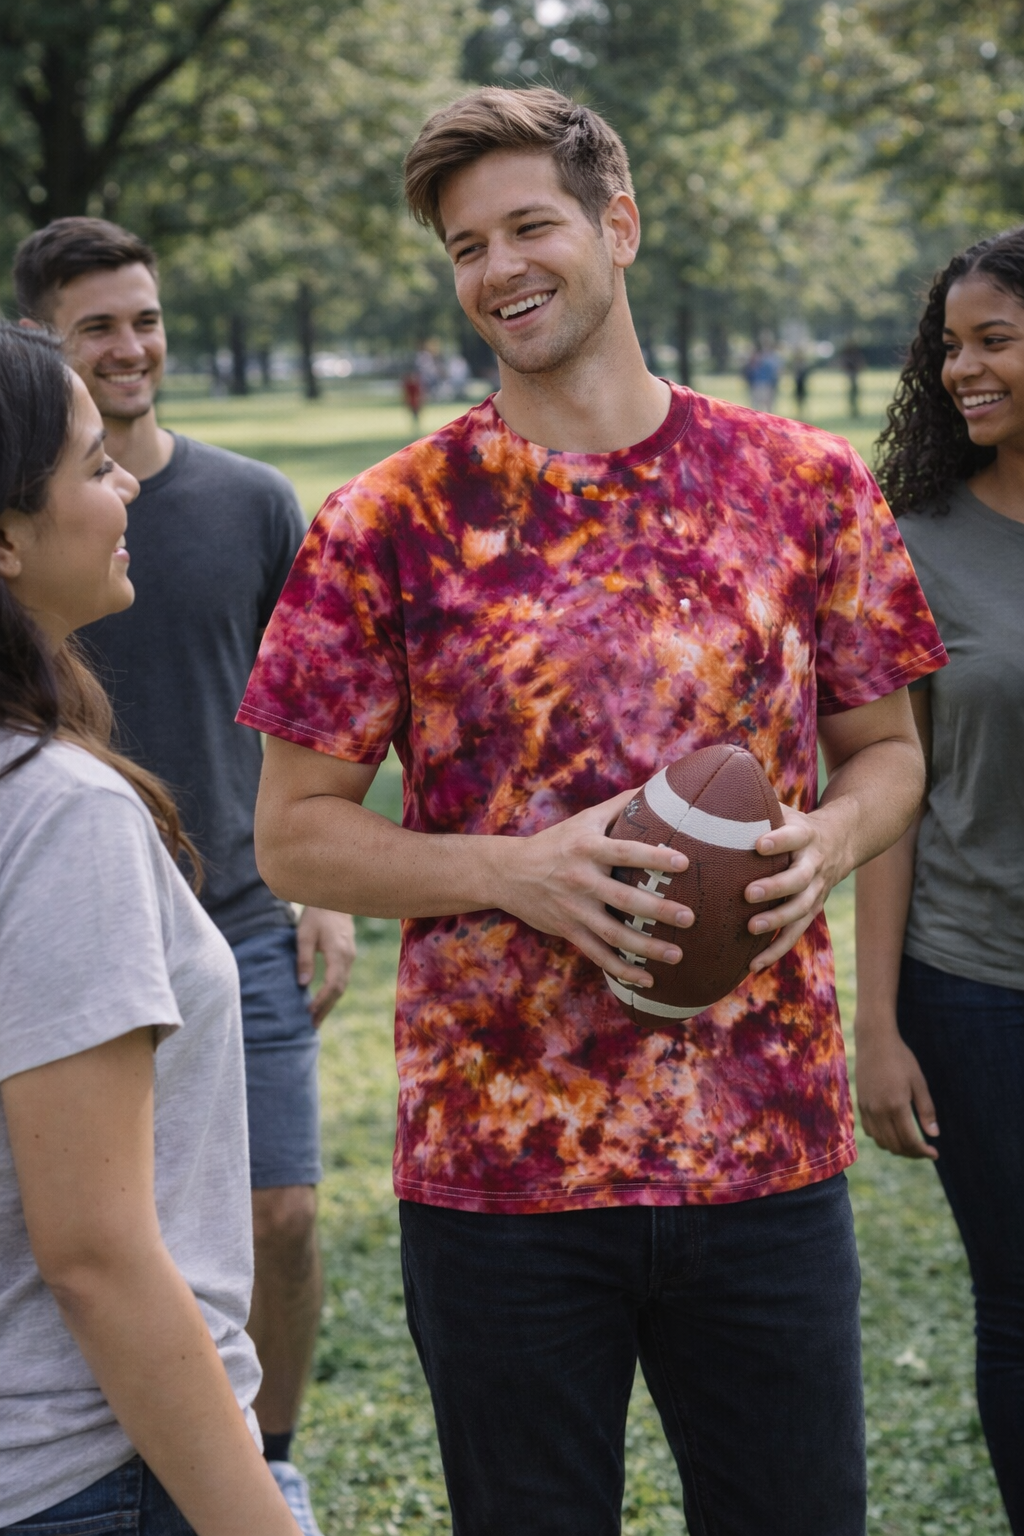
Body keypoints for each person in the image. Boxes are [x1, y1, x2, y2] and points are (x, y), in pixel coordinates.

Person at [240, 87, 946, 1535]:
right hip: (499, 1173)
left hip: (766, 1145)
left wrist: (831, 837)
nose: (497, 267)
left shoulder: (800, 483)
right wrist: (518, 872)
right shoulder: (388, 519)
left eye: (528, 226)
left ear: (617, 227)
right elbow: (293, 830)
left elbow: (889, 754)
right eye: (463, 245)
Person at [12, 218, 354, 1536]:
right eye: (90, 465)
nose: (127, 490)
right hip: (90, 1475)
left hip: (232, 916)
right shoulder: (60, 816)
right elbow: (98, 1260)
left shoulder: (254, 502)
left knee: (274, 1211)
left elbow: (301, 713)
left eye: (146, 318)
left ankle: (278, 1442)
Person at [856, 226, 1024, 1534]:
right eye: (951, 346)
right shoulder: (913, 542)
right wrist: (876, 1027)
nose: (963, 369)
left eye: (994, 340)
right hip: (978, 989)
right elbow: (887, 796)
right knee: (1021, 1303)